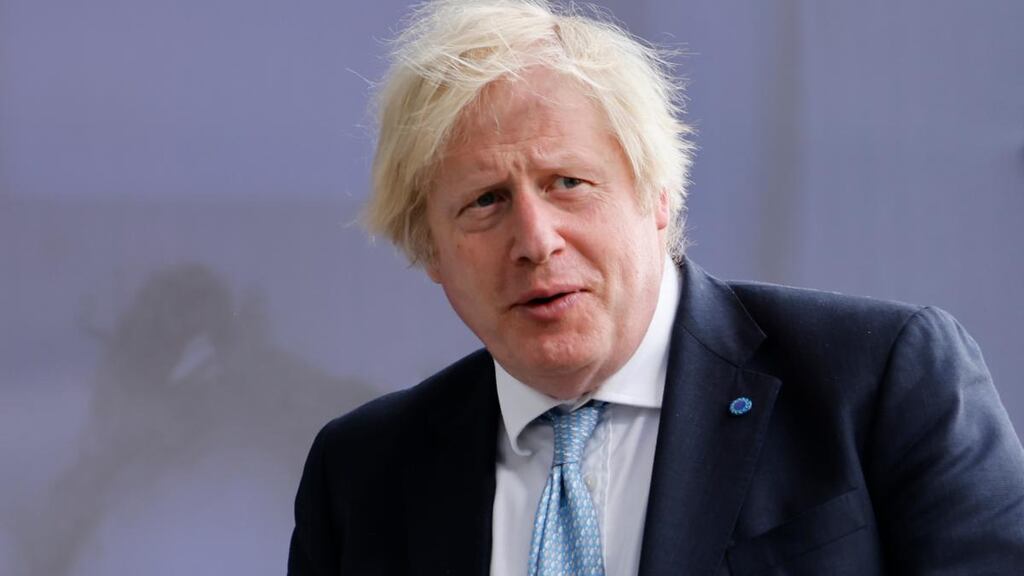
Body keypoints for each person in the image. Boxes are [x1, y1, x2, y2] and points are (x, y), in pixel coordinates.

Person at [288, 1, 1024, 574]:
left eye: (568, 183)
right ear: (431, 253)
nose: (536, 240)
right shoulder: (362, 474)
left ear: (659, 196)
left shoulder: (880, 381)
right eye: (484, 202)